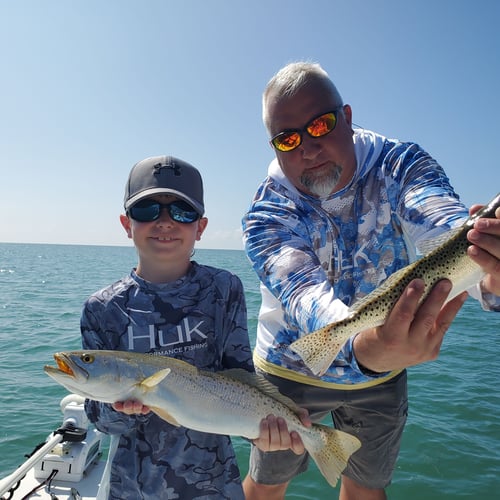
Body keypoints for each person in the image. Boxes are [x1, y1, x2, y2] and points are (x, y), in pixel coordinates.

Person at [241, 62, 500, 500]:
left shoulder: (400, 163)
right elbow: (303, 295)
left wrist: (491, 276)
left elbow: (440, 222)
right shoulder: (267, 214)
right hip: (290, 367)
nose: (308, 148)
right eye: (288, 138)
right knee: (268, 484)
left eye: (320, 125)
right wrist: (363, 350)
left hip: (382, 370)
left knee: (366, 488)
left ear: (346, 116)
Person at [81, 155, 254, 499]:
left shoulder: (224, 289)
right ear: (126, 223)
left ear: (200, 227)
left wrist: (264, 430)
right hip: (134, 487)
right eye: (147, 211)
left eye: (182, 211)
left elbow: (241, 379)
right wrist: (121, 411)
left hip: (216, 483)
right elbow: (101, 419)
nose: (164, 222)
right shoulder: (102, 308)